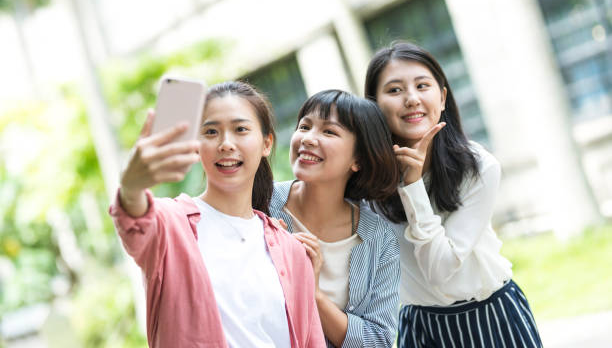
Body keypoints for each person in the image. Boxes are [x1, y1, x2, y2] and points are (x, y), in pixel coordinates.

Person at [110, 81, 325, 348]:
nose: (225, 144)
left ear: (266, 143)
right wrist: (132, 186)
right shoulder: (172, 225)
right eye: (211, 131)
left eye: (240, 129)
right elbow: (134, 219)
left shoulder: (292, 250)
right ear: (196, 144)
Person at [364, 42, 542, 348]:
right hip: (420, 325)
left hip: (492, 319)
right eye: (394, 90)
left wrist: (412, 186)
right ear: (374, 106)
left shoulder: (478, 167)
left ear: (442, 97)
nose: (412, 99)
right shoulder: (367, 181)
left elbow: (441, 268)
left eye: (423, 86)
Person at [269, 89, 401, 347]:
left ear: (358, 160)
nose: (307, 139)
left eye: (328, 131)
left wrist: (313, 292)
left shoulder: (380, 239)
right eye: (304, 126)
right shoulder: (259, 203)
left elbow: (378, 341)